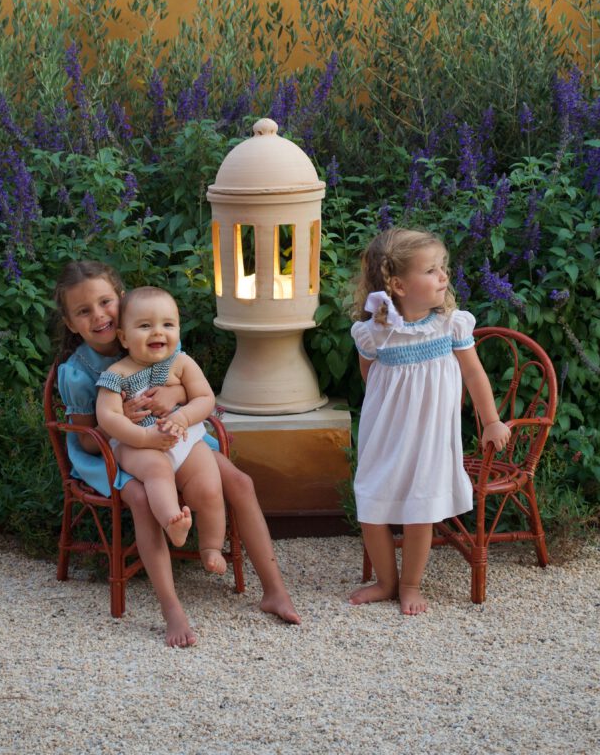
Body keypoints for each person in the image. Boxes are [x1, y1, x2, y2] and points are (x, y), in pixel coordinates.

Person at [54, 260, 301, 647]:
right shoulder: (80, 370)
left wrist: (173, 396)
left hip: (175, 436)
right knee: (141, 498)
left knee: (239, 481)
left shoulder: (153, 332)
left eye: (105, 302)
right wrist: (125, 422)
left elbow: (188, 383)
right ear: (71, 323)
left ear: (121, 300)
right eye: (84, 311)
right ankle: (171, 609)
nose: (98, 315)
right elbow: (86, 440)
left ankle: (274, 590)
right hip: (111, 454)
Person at [348, 228, 511, 616]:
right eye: (432, 270)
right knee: (371, 502)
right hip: (385, 434)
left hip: (430, 437)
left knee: (419, 508)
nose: (444, 276)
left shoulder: (450, 325)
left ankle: (410, 583)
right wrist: (392, 403)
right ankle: (386, 582)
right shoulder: (375, 333)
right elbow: (369, 374)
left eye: (443, 267)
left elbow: (473, 374)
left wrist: (491, 421)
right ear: (398, 285)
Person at [95, 286, 227, 574]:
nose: (158, 332)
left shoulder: (182, 363)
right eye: (145, 326)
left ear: (178, 329)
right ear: (123, 338)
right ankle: (171, 521)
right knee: (157, 470)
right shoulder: (116, 374)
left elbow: (205, 398)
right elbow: (107, 416)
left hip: (183, 436)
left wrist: (184, 417)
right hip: (136, 443)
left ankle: (211, 546)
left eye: (168, 324)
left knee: (209, 486)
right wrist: (144, 438)